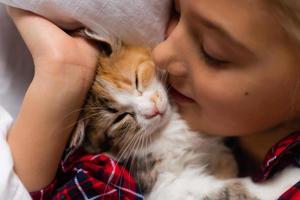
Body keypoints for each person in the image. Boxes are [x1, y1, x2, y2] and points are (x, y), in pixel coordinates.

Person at [5, 0, 300, 198]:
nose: (160, 53)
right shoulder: (110, 169)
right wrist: (63, 71)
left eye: (212, 51)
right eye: (176, 13)